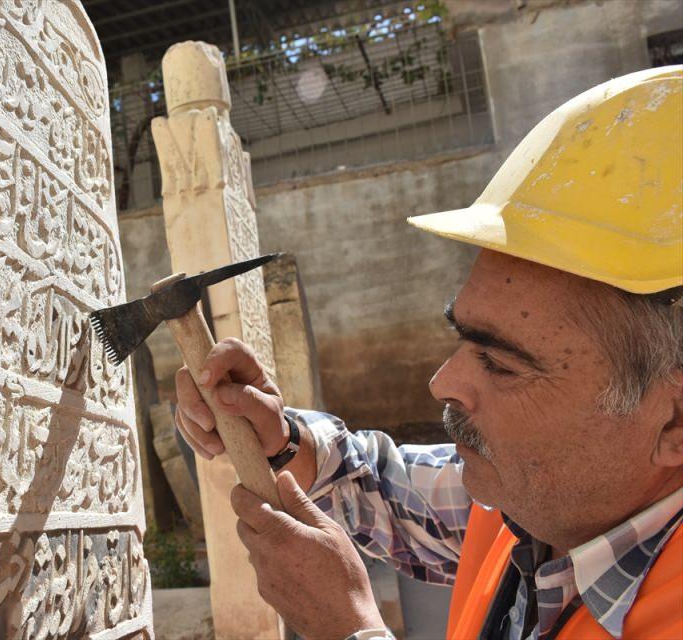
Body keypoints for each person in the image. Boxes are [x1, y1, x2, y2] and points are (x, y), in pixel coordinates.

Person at [173, 66, 683, 640]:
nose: (443, 381)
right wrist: (283, 439)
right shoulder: (536, 503)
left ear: (674, 423)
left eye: (503, 362)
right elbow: (390, 491)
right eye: (465, 337)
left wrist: (351, 629)